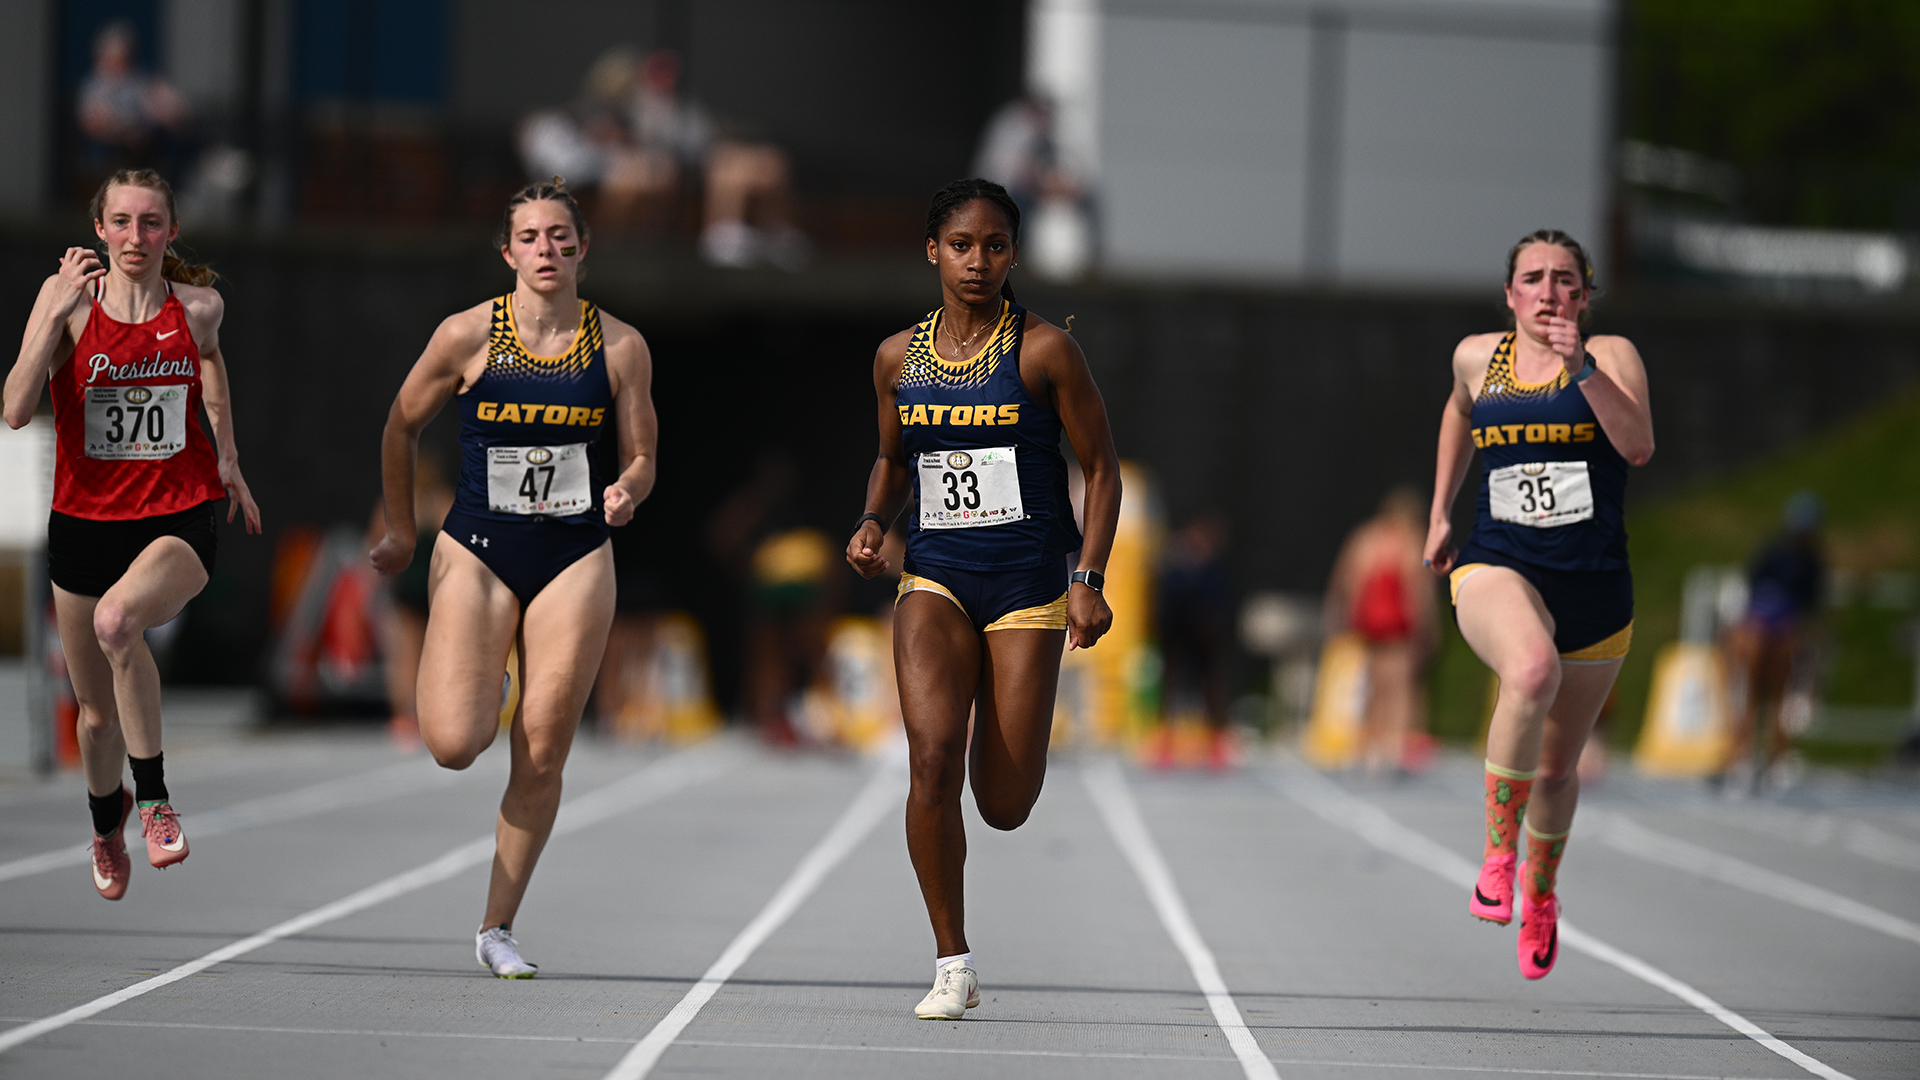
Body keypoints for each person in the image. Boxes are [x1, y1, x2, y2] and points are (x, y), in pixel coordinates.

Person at [845, 178, 1121, 1018]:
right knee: (930, 760)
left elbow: (1103, 469)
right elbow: (894, 459)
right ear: (933, 250)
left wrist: (1088, 579)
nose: (978, 261)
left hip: (1028, 587)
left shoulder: (1044, 352)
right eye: (962, 245)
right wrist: (869, 521)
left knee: (1002, 804)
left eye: (995, 246)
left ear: (1013, 255)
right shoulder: (898, 358)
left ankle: (989, 786)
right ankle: (951, 961)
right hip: (934, 576)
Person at [370, 178, 658, 978]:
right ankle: (481, 676)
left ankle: (497, 927)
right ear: (507, 252)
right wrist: (400, 530)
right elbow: (401, 422)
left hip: (574, 552)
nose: (547, 251)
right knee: (456, 744)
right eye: (531, 238)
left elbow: (642, 454)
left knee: (542, 750)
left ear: (583, 249)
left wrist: (628, 488)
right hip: (478, 546)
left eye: (562, 237)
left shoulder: (620, 346)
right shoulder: (466, 336)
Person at [4, 168, 262, 901]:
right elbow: (17, 408)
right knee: (92, 720)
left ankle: (153, 800)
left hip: (177, 516)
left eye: (150, 223)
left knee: (121, 623)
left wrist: (230, 459)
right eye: (121, 222)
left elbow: (210, 367)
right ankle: (105, 819)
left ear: (171, 231)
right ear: (99, 230)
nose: (135, 238)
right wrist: (51, 311)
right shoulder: (72, 309)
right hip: (84, 524)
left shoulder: (199, 309)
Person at [1424, 229, 1654, 980]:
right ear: (1510, 293)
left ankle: (1542, 889)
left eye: (1564, 279)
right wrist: (1439, 511)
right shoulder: (1476, 356)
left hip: (1593, 584)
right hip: (1499, 563)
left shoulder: (1612, 357)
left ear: (1584, 296)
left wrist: (1578, 363)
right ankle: (1496, 855)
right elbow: (1459, 410)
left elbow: (1638, 446)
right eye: (1534, 278)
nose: (1549, 290)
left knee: (1558, 768)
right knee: (1528, 672)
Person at [1323, 488, 1438, 775]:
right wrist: (1428, 628)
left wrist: (1338, 614)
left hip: (1368, 622)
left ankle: (1368, 748)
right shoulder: (1410, 542)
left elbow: (1343, 578)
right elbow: (1418, 590)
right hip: (1396, 624)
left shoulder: (1365, 538)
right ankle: (1391, 749)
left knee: (1373, 686)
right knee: (1399, 689)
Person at [1721, 491, 1825, 790]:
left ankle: (1775, 758)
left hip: (1787, 625)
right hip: (1762, 619)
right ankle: (1739, 756)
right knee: (1748, 694)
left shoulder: (1812, 561)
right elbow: (1751, 586)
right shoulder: (1775, 551)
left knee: (1783, 695)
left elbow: (1812, 605)